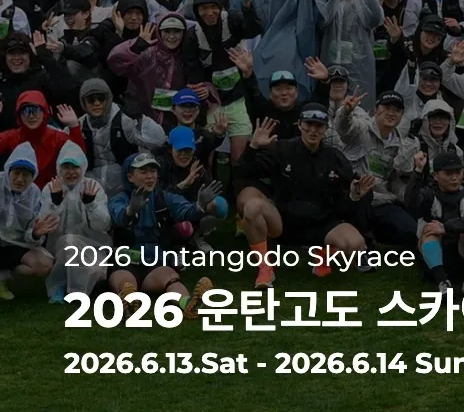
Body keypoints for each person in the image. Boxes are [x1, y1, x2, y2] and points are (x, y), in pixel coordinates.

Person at [235, 108, 372, 288]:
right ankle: (265, 268)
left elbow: (344, 206)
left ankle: (324, 255)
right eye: (308, 124)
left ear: (326, 129)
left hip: (321, 224)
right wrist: (252, 148)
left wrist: (354, 196)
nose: (313, 130)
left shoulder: (335, 158)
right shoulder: (281, 149)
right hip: (283, 222)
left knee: (355, 244)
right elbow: (242, 174)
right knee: (252, 207)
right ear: (299, 125)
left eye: (319, 126)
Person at [107, 152, 222, 319]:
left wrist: (200, 205)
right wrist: (131, 210)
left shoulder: (164, 197)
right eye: (143, 172)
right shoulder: (119, 199)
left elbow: (186, 211)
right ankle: (129, 302)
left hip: (156, 263)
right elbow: (119, 216)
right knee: (125, 281)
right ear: (130, 177)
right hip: (125, 261)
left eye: (153, 171)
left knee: (171, 278)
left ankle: (188, 304)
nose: (150, 176)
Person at [242, 0, 329, 99]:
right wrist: (246, 2)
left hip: (300, 61)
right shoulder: (260, 0)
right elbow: (251, 28)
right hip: (266, 62)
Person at [334, 89, 420, 249]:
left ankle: (375, 234)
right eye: (386, 108)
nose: (391, 113)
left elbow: (397, 180)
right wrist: (346, 111)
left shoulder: (402, 144)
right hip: (354, 197)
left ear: (402, 115)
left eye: (396, 110)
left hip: (382, 200)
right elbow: (344, 129)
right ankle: (362, 239)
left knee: (411, 231)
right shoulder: (361, 128)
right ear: (375, 110)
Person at [182, 0, 260, 160]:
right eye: (203, 8)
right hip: (212, 103)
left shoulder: (232, 20)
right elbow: (192, 72)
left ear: (220, 6)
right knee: (207, 152)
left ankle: (237, 177)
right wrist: (204, 89)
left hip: (237, 98)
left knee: (239, 156)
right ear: (197, 11)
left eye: (213, 7)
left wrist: (247, 3)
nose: (209, 13)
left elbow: (254, 29)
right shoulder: (192, 36)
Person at [405, 150, 464, 296]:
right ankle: (443, 283)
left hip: (462, 257)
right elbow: (411, 204)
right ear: (435, 175)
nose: (454, 178)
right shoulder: (428, 194)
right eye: (448, 174)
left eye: (458, 172)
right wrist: (417, 171)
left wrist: (446, 227)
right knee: (429, 230)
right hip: (433, 261)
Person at [40, 141, 112, 304]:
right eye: (66, 167)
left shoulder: (93, 186)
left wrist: (90, 204)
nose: (71, 172)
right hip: (59, 247)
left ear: (83, 167)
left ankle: (72, 286)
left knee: (98, 272)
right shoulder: (51, 188)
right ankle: (60, 287)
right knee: (69, 241)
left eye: (75, 167)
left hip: (91, 245)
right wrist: (55, 203)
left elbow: (103, 225)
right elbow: (45, 224)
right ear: (59, 168)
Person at [78, 78, 167, 197]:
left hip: (125, 189)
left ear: (108, 98)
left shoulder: (124, 119)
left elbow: (158, 140)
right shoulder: (79, 125)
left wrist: (140, 118)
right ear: (83, 102)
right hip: (93, 192)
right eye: (91, 100)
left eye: (101, 98)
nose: (97, 103)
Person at [317, 0, 384, 109]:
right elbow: (321, 20)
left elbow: (375, 18)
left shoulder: (362, 7)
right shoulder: (332, 5)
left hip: (359, 67)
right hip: (331, 65)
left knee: (359, 106)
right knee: (330, 106)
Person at [0, 143, 59, 301]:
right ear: (8, 171)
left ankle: (2, 277)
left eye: (26, 175)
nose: (20, 179)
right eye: (16, 173)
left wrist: (35, 233)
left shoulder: (34, 193)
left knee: (44, 264)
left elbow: (31, 234)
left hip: (15, 245)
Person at [108, 13, 188, 126]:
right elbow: (115, 61)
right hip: (145, 119)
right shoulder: (148, 53)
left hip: (177, 121)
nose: (171, 36)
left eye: (177, 31)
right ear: (159, 32)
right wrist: (138, 44)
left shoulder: (188, 55)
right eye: (167, 31)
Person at [0, 91, 85, 189]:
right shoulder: (12, 136)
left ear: (44, 112)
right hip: (19, 194)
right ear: (20, 115)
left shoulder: (57, 137)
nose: (31, 116)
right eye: (26, 111)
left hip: (50, 194)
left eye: (35, 110)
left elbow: (79, 158)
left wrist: (74, 126)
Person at [0, 33, 77, 132]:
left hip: (41, 136)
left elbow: (69, 89)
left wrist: (43, 55)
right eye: (12, 53)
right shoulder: (2, 82)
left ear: (30, 55)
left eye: (22, 53)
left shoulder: (42, 78)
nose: (17, 58)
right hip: (7, 138)